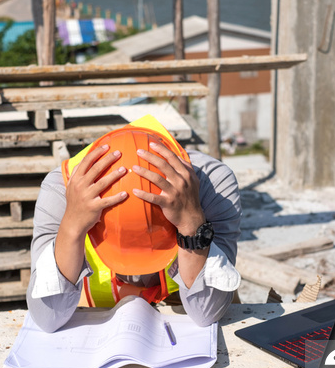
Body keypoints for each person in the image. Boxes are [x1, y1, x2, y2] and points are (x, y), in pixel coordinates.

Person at [26, 115, 241, 333]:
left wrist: (192, 225)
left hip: (186, 318)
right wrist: (71, 227)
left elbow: (207, 313)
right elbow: (47, 317)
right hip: (96, 322)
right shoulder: (60, 189)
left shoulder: (213, 184)